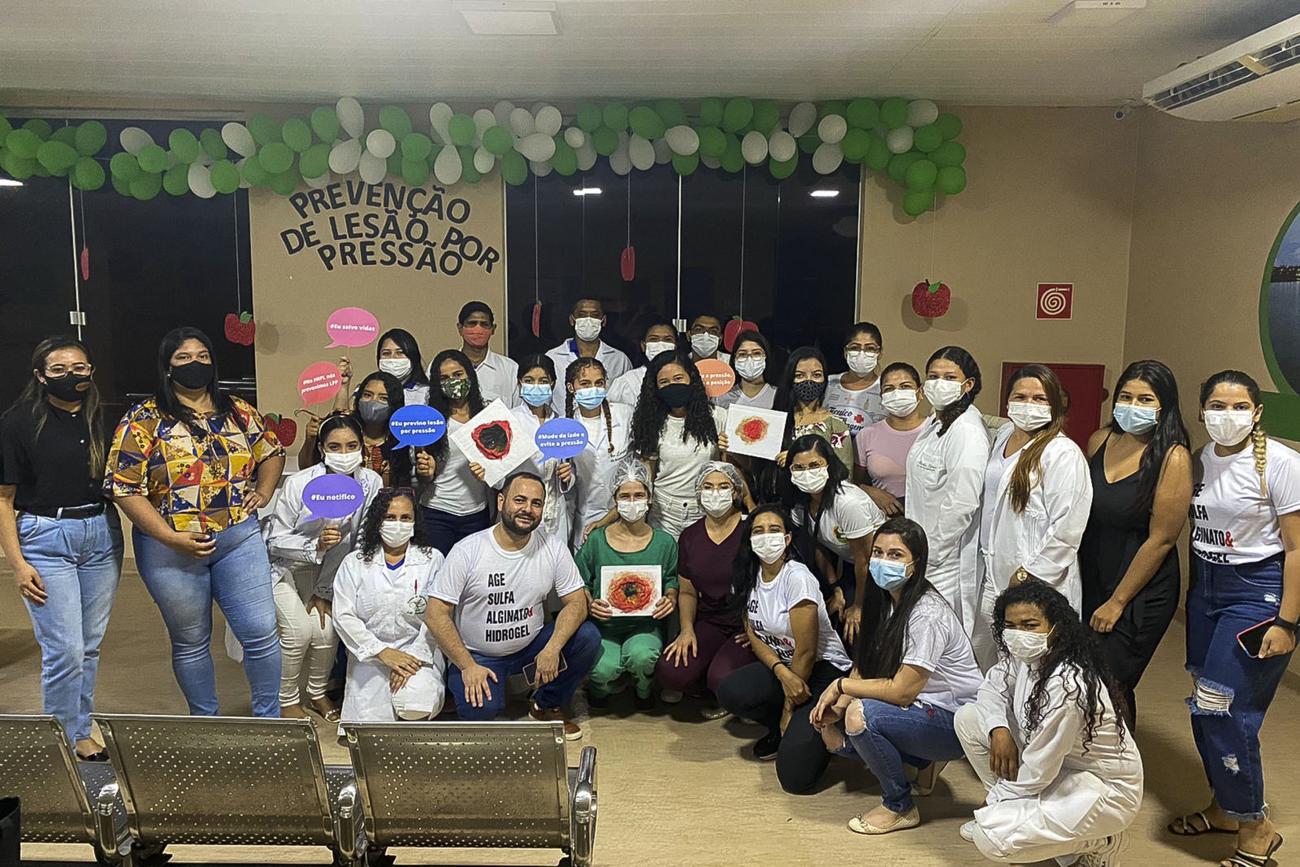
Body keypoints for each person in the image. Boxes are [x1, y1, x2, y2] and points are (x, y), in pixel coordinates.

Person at [106, 326, 285, 717]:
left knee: (261, 631)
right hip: (170, 548)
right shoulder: (144, 419)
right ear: (168, 367)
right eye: (184, 357)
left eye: (203, 356)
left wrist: (264, 492)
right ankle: (206, 722)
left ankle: (270, 720)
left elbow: (272, 452)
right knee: (191, 640)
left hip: (238, 539)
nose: (195, 363)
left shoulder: (237, 410)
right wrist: (169, 537)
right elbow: (123, 487)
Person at [1165, 370, 1297, 867]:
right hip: (1207, 590)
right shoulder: (1198, 460)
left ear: (1257, 413)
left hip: (1256, 594)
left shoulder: (1281, 464)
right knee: (1202, 706)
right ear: (1202, 411)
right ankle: (1225, 807)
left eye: (1240, 406)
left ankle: (1255, 827)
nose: (1228, 415)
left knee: (1220, 707)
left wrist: (1287, 622)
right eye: (1217, 406)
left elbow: (1297, 549)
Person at [810, 517, 981, 835]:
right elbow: (867, 663)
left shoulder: (927, 614)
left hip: (956, 719)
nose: (883, 561)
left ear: (916, 564)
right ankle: (923, 764)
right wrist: (838, 704)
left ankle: (899, 806)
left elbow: (902, 691)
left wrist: (842, 686)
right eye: (878, 552)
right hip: (921, 706)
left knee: (860, 717)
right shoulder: (886, 600)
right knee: (835, 734)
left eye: (895, 555)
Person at [955, 581, 1141, 865]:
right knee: (969, 718)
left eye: (1030, 625)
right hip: (1057, 767)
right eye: (1011, 626)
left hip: (1099, 786)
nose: (1019, 634)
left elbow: (1040, 770)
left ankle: (1098, 841)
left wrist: (995, 801)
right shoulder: (1025, 657)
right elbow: (992, 688)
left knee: (991, 839)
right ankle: (1018, 815)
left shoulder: (1068, 685)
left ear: (1056, 628)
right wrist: (998, 729)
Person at [0, 337, 123, 760]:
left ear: (91, 371)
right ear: (40, 376)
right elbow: (3, 499)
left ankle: (79, 731)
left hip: (101, 534)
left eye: (80, 368)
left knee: (88, 646)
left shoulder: (105, 419)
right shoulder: (17, 422)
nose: (71, 376)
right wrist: (17, 565)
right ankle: (62, 743)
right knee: (64, 649)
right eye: (58, 369)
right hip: (45, 536)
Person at [426, 471, 601, 738]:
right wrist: (467, 665)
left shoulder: (552, 547)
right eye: (519, 500)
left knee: (587, 636)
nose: (527, 509)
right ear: (501, 501)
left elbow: (576, 602)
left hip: (531, 647)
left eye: (536, 503)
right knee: (481, 712)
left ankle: (546, 704)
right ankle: (471, 684)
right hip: (477, 655)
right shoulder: (468, 550)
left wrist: (553, 648)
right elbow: (435, 613)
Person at [1081, 360, 1191, 725]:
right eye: (1126, 397)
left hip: (1140, 588)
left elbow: (1162, 539)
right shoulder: (1100, 441)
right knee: (1085, 675)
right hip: (1094, 573)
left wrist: (1117, 602)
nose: (1133, 405)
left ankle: (1120, 757)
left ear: (1164, 406)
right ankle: (1090, 752)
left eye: (1145, 399)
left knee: (1111, 680)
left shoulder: (1173, 457)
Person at [716, 504, 852, 794]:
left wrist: (789, 709)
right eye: (758, 531)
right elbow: (752, 632)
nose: (766, 537)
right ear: (749, 540)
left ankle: (828, 726)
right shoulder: (749, 575)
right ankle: (790, 730)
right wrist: (780, 671)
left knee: (795, 779)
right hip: (787, 666)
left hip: (822, 668)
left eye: (774, 530)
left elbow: (807, 650)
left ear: (788, 539)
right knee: (730, 690)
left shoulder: (797, 578)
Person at [264, 413, 382, 721]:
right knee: (298, 632)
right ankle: (286, 699)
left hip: (331, 573)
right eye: (335, 447)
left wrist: (325, 590)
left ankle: (317, 693)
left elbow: (360, 540)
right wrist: (314, 545)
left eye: (352, 446)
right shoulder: (300, 483)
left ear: (362, 447)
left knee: (327, 633)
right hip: (285, 568)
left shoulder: (371, 482)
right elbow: (274, 541)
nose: (344, 454)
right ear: (321, 449)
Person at [974, 364, 1093, 669]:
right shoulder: (1003, 436)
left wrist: (1029, 574)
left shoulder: (1062, 453)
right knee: (989, 659)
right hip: (993, 571)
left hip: (1036, 578)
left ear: (1055, 404)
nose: (1029, 405)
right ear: (1008, 401)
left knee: (1033, 663)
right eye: (1021, 396)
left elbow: (1068, 527)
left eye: (1040, 398)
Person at [332, 487, 446, 723]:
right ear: (377, 521)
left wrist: (411, 659)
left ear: (415, 522)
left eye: (405, 518)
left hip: (418, 652)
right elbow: (343, 616)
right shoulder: (354, 563)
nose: (398, 524)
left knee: (415, 703)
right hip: (369, 654)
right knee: (367, 728)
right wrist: (383, 652)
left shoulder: (432, 560)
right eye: (390, 518)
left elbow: (439, 616)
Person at [655, 463, 756, 716]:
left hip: (746, 624)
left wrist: (757, 629)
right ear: (699, 493)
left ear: (735, 492)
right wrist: (686, 630)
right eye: (708, 487)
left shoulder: (751, 530)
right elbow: (687, 592)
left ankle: (729, 691)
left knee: (723, 679)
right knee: (671, 671)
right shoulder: (690, 536)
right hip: (710, 621)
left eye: (723, 486)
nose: (715, 493)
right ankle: (706, 679)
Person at [575, 463, 679, 708]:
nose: (632, 502)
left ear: (649, 499)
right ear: (615, 500)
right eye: (625, 496)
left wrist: (671, 598)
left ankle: (644, 690)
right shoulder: (596, 541)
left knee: (642, 657)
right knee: (603, 669)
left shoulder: (665, 543)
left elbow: (671, 580)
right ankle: (599, 691)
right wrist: (589, 604)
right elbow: (579, 581)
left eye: (639, 495)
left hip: (645, 624)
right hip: (605, 625)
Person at [904, 346, 990, 632]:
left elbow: (962, 504)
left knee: (936, 636)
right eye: (933, 376)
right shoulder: (936, 420)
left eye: (950, 377)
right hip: (923, 550)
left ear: (968, 384)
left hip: (945, 560)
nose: (939, 383)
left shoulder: (967, 431)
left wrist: (930, 554)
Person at [784, 434, 885, 646]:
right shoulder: (800, 504)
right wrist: (835, 588)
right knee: (827, 611)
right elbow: (817, 547)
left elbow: (864, 560)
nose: (807, 473)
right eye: (799, 468)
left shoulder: (848, 502)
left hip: (878, 567)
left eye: (814, 465)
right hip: (849, 565)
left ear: (829, 465)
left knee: (854, 626)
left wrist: (859, 606)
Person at [628, 349, 731, 538]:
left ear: (691, 379)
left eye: (678, 378)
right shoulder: (651, 421)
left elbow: (729, 467)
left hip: (708, 508)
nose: (672, 386)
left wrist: (729, 449)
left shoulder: (718, 416)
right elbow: (648, 470)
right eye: (664, 382)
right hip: (664, 512)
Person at [416, 349, 489, 555]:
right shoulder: (430, 421)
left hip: (477, 513)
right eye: (444, 378)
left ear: (470, 375)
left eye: (458, 374)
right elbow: (422, 476)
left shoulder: (488, 416)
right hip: (437, 512)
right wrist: (426, 473)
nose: (453, 382)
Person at [565, 357, 634, 547]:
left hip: (626, 510)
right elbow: (569, 478)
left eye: (599, 383)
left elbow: (638, 465)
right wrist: (566, 477)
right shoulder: (566, 427)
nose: (593, 389)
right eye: (585, 384)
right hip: (587, 515)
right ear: (571, 387)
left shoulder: (625, 414)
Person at [299, 371, 411, 487]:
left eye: (383, 398)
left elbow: (402, 484)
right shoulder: (344, 430)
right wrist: (310, 439)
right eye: (367, 395)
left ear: (394, 404)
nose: (373, 401)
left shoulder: (400, 440)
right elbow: (306, 469)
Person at [512, 354, 575, 544]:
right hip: (521, 509)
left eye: (543, 381)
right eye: (529, 380)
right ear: (519, 383)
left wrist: (568, 477)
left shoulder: (561, 422)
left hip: (554, 510)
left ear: (553, 384)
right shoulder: (509, 421)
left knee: (554, 557)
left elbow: (570, 469)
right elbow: (499, 475)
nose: (536, 386)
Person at [855, 362, 927, 516]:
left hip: (930, 516)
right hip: (884, 519)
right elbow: (854, 483)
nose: (897, 394)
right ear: (882, 397)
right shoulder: (867, 435)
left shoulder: (936, 430)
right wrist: (869, 491)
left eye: (905, 386)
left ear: (920, 392)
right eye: (889, 389)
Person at [545, 298, 632, 413]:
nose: (588, 320)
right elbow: (544, 402)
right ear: (572, 320)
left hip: (608, 422)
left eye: (595, 315)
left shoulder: (619, 360)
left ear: (603, 320)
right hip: (564, 422)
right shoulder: (552, 358)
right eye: (582, 315)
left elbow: (626, 400)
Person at [773, 347, 853, 473]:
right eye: (800, 375)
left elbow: (844, 475)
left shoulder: (836, 426)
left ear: (825, 379)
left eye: (816, 375)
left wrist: (797, 460)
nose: (808, 381)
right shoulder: (776, 420)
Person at [824, 321, 886, 442]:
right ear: (845, 352)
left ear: (879, 353)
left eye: (870, 348)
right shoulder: (829, 383)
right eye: (854, 348)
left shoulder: (886, 388)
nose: (861, 354)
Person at [456, 300, 518, 407]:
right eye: (472, 323)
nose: (478, 329)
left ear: (493, 329)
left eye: (484, 324)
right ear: (460, 328)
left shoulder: (510, 368)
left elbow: (518, 410)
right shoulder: (444, 366)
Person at [607, 318, 678, 408]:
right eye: (653, 339)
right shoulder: (628, 381)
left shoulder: (685, 377)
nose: (660, 344)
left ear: (675, 345)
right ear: (643, 346)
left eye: (667, 339)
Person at [715, 329, 777, 410]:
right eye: (742, 354)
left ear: (766, 356)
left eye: (756, 353)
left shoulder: (778, 395)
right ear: (734, 359)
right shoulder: (721, 397)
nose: (749, 359)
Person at [376, 328, 430, 405]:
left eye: (400, 352)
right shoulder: (367, 391)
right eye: (386, 353)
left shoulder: (427, 394)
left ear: (413, 356)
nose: (393, 358)